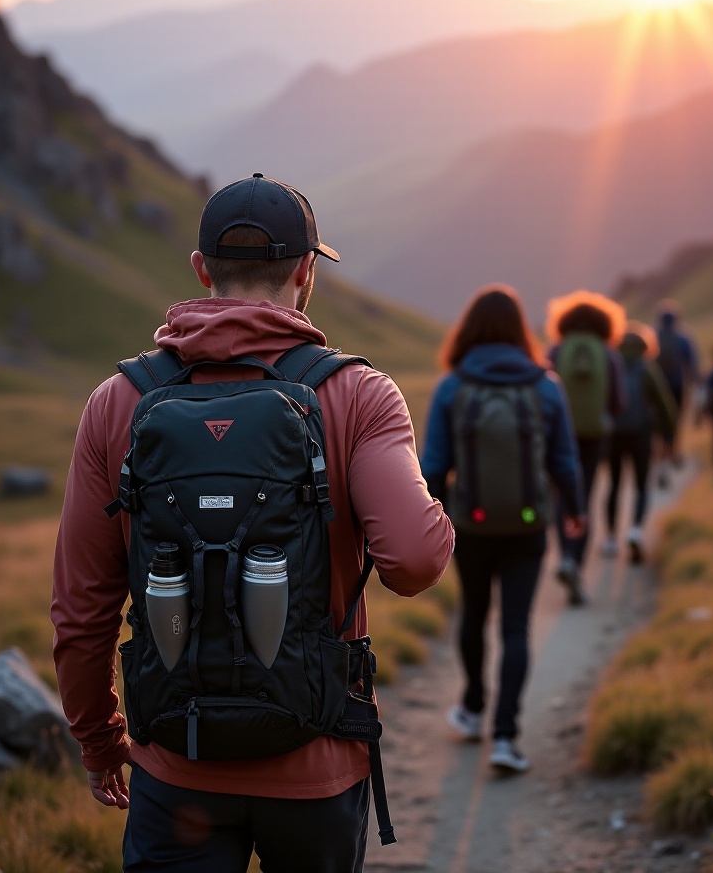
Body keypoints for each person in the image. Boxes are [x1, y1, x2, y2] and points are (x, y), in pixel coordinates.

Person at [51, 173, 455, 873]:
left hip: (174, 766)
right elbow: (415, 564)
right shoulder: (357, 394)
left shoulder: (118, 402)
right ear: (305, 271)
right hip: (317, 762)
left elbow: (81, 610)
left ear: (202, 271)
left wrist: (98, 740)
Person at [420, 285, 584, 774]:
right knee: (515, 627)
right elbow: (565, 462)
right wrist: (575, 510)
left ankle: (472, 709)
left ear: (469, 329)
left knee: (474, 614)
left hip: (469, 525)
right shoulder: (546, 386)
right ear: (519, 331)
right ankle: (507, 738)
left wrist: (434, 518)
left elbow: (433, 466)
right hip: (529, 526)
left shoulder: (452, 386)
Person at [545, 291, 625, 604]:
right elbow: (619, 402)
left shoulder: (556, 349)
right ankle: (575, 564)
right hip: (594, 436)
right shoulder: (608, 354)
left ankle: (564, 553)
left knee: (560, 497)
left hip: (557, 436)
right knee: (584, 496)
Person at [605, 322, 677, 564]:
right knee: (640, 485)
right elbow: (665, 405)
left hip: (614, 435)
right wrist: (668, 436)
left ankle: (611, 539)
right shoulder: (646, 369)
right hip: (641, 435)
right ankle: (635, 530)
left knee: (614, 485)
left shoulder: (610, 367)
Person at [652, 300, 699, 480]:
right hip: (678, 384)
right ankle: (673, 452)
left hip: (658, 386)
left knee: (659, 421)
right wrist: (695, 382)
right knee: (675, 419)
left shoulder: (653, 336)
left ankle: (660, 457)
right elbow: (692, 363)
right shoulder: (683, 337)